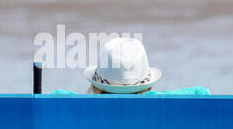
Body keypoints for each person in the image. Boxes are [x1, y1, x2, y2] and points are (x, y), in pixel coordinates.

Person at [79, 36, 208, 95]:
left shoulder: (79, 106)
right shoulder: (160, 102)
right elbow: (201, 92)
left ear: (96, 85)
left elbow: (57, 93)